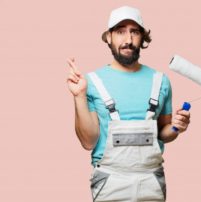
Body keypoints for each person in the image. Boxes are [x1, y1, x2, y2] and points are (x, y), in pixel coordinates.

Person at [66, 6, 190, 202]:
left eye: (134, 32)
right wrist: (79, 96)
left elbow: (163, 134)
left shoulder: (161, 81)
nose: (128, 40)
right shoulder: (91, 82)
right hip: (109, 181)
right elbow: (88, 142)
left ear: (143, 38)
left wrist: (176, 127)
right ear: (108, 37)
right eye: (120, 31)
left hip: (152, 181)